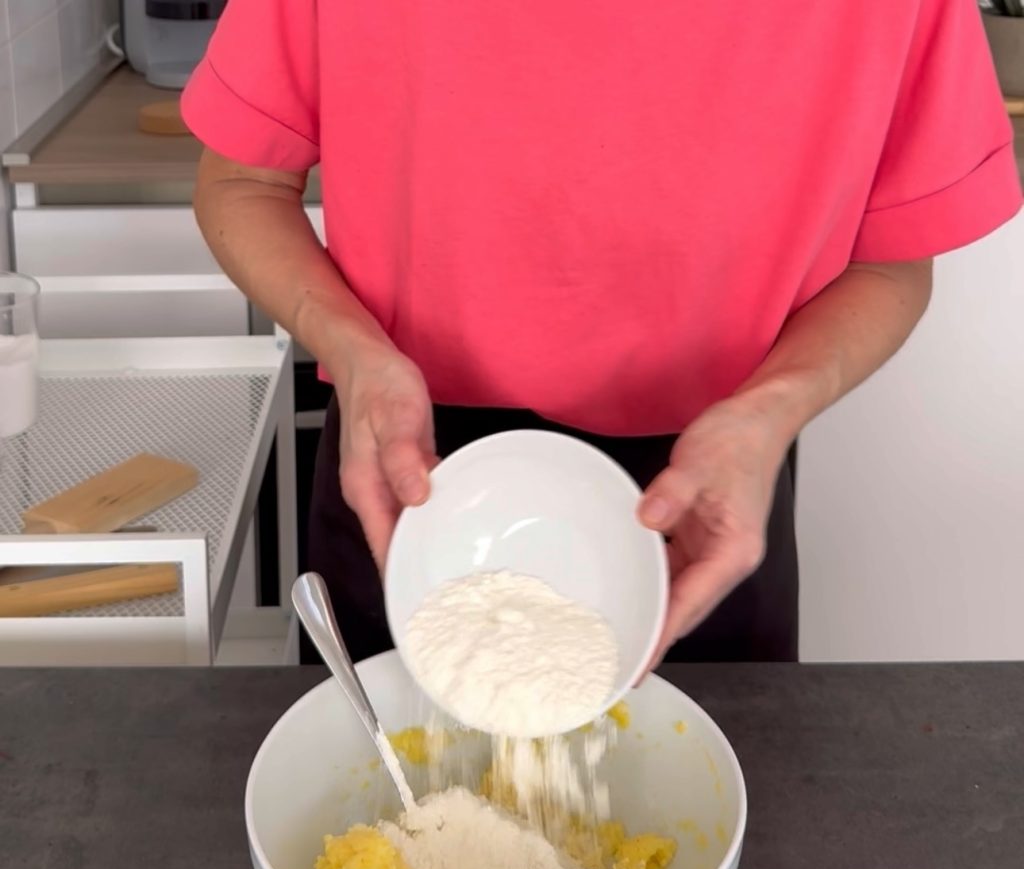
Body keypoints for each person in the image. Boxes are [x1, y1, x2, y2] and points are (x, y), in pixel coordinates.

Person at [183, 1, 1021, 666]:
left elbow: (891, 263)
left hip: (711, 485)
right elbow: (245, 184)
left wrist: (774, 409)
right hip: (405, 466)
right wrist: (354, 351)